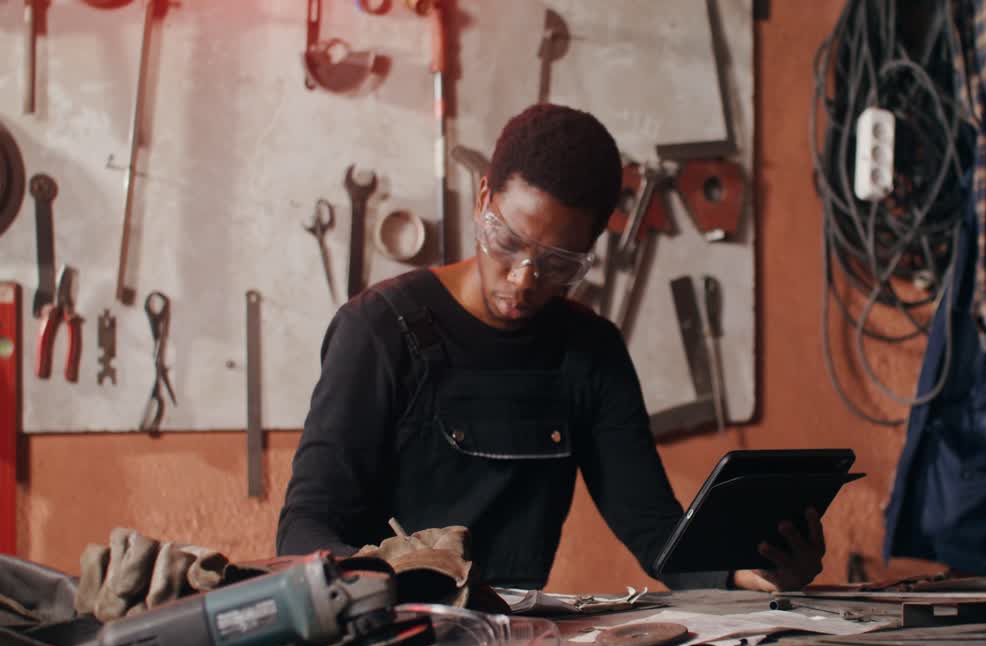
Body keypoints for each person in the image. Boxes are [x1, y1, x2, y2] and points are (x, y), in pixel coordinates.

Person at [276, 103, 824, 592]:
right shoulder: (377, 330)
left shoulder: (590, 351)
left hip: (514, 641)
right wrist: (390, 587)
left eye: (559, 264)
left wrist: (739, 571)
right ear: (484, 198)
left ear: (592, 246)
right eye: (508, 242)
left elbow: (654, 531)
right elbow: (304, 526)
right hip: (387, 634)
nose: (522, 279)